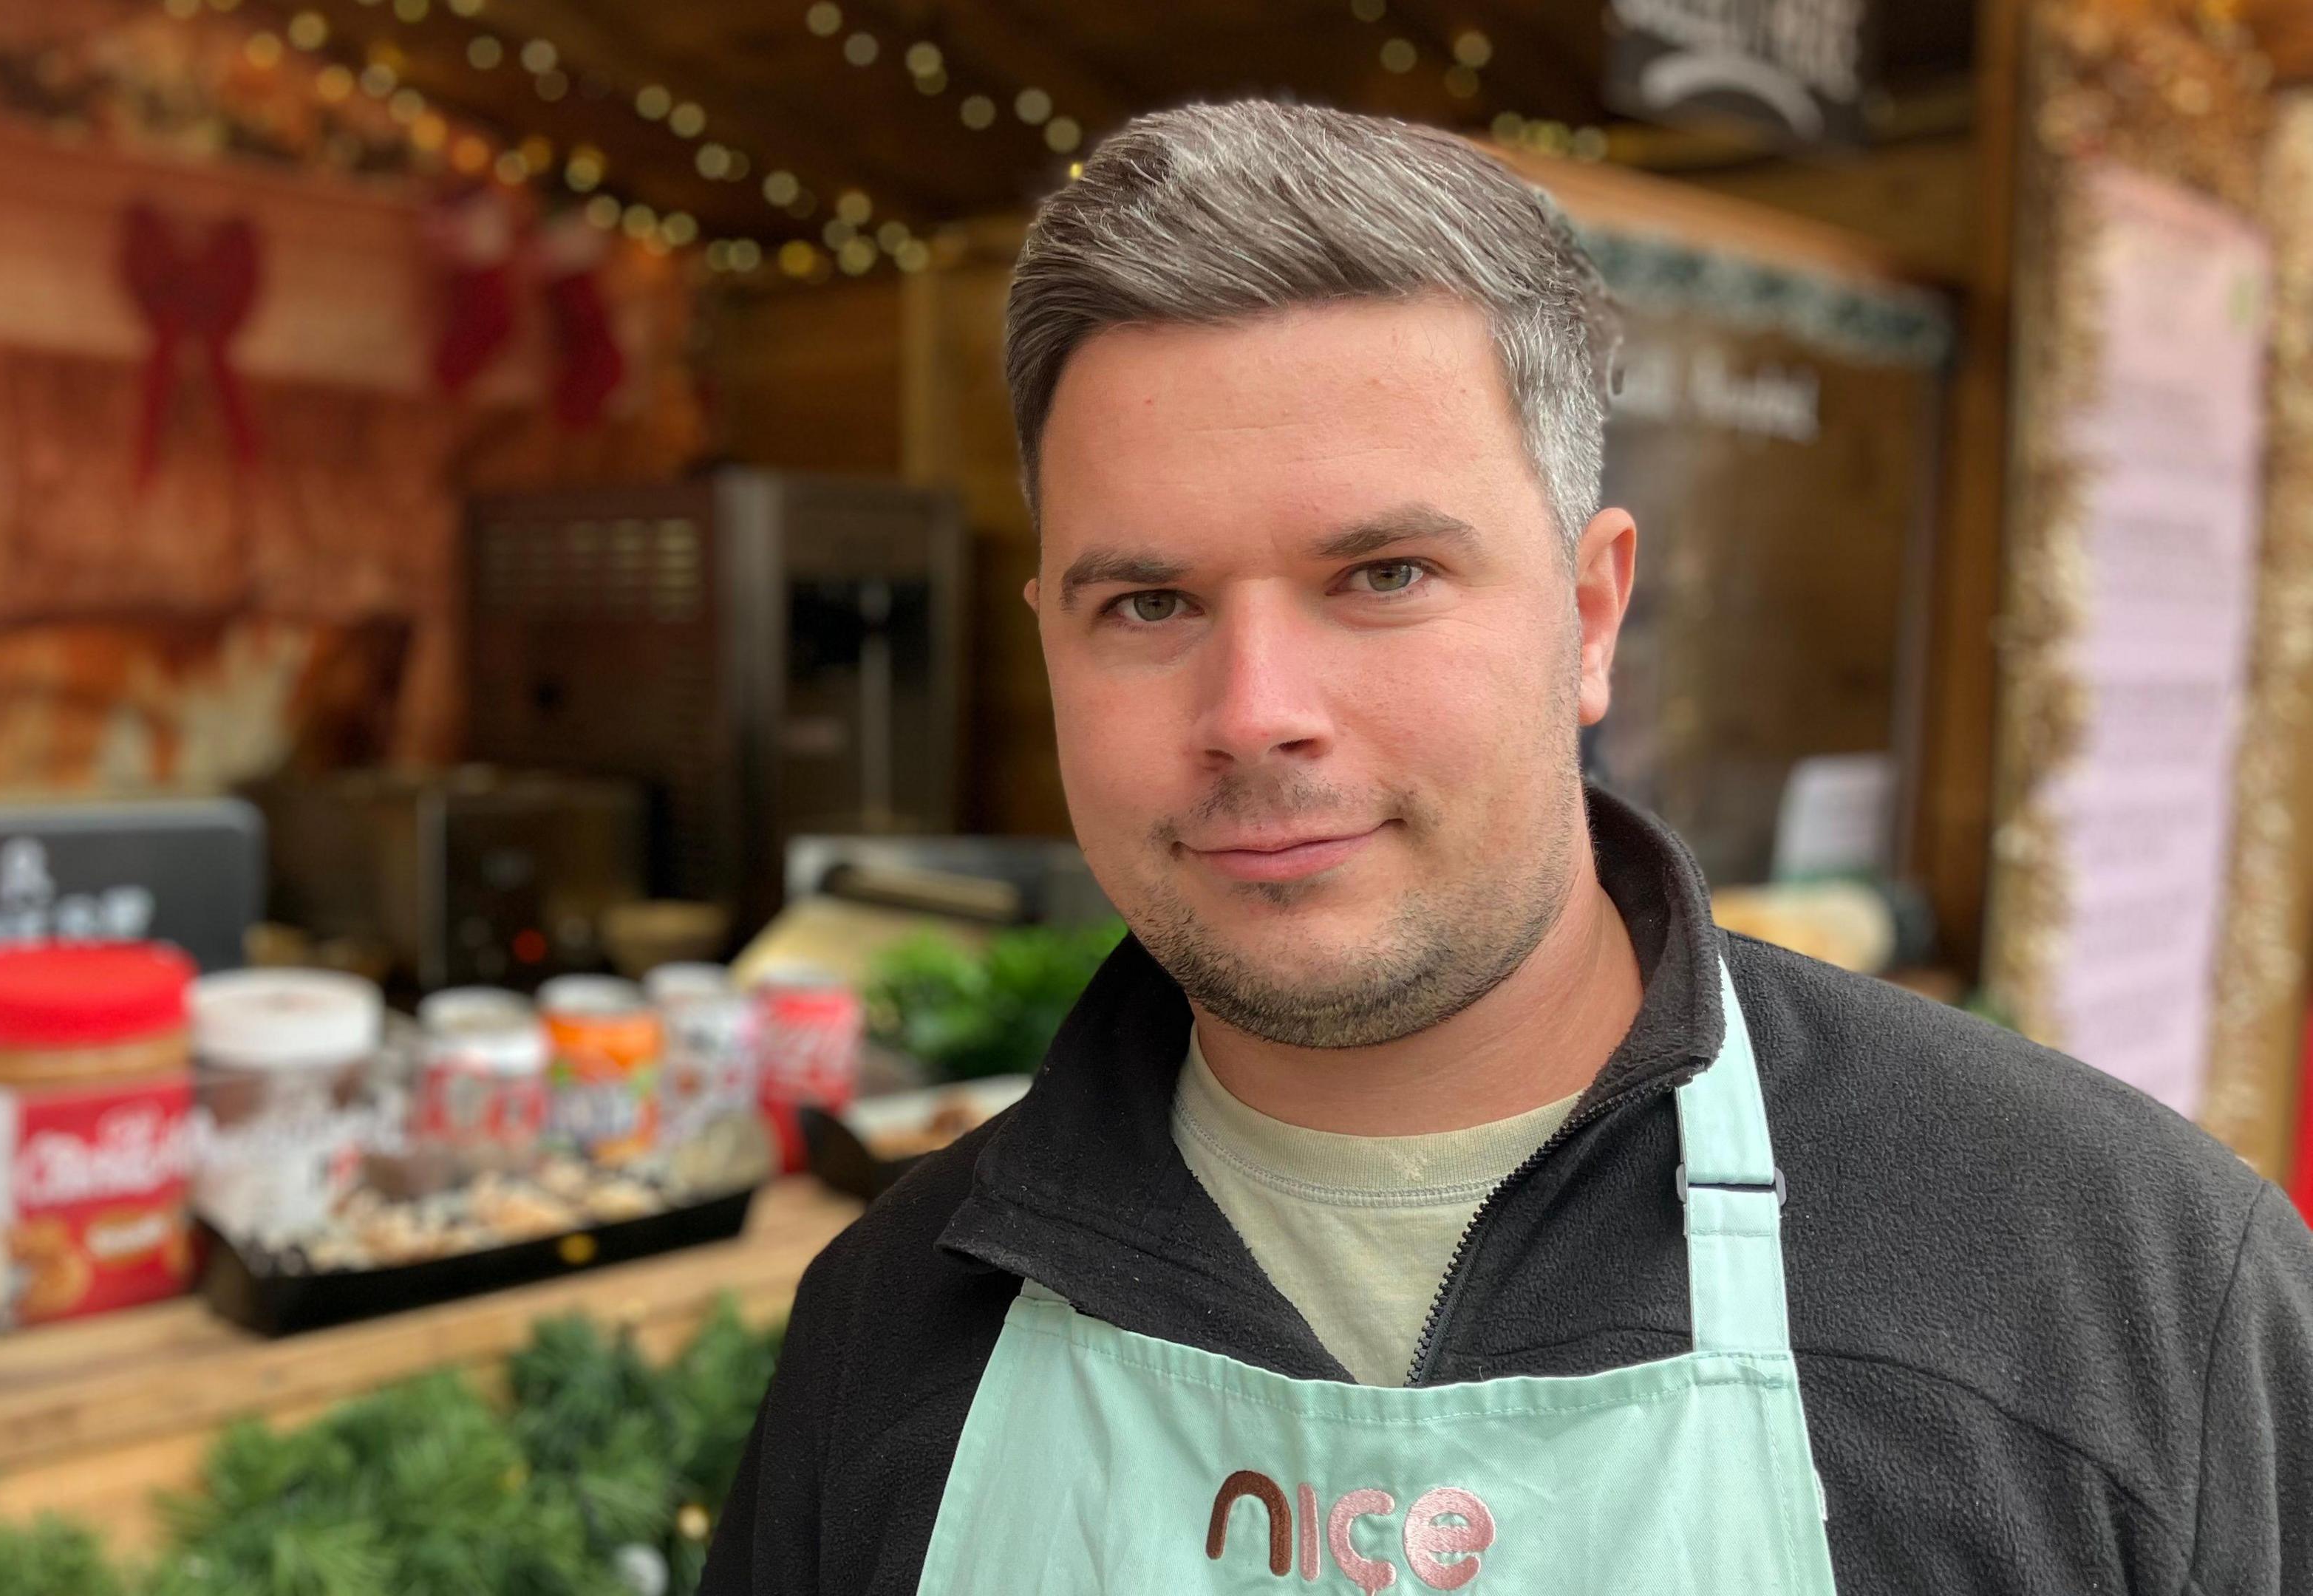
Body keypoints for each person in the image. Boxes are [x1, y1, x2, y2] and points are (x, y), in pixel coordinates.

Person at [698, 100, 2313, 1595]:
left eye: (1384, 574)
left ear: (1593, 612)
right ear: (1048, 638)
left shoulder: (2122, 1286)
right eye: (1150, 603)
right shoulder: (889, 1328)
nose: (1255, 713)